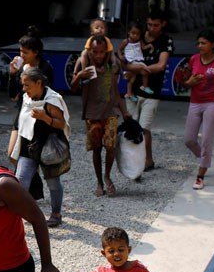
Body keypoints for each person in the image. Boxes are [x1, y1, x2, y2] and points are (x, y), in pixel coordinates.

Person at [70, 35, 130, 197]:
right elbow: (73, 87)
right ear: (90, 51)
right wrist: (80, 76)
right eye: (95, 52)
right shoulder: (83, 63)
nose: (98, 55)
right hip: (91, 112)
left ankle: (107, 175)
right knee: (96, 149)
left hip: (110, 110)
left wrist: (124, 111)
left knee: (110, 146)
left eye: (102, 52)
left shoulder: (111, 64)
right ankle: (99, 181)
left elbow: (115, 90)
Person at [14, 67, 70, 227]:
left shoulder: (52, 100)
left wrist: (45, 118)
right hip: (28, 145)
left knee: (53, 182)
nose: (24, 89)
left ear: (38, 83)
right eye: (23, 85)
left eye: (27, 85)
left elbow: (61, 124)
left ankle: (56, 213)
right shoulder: (27, 98)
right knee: (21, 181)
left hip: (48, 146)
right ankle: (21, 213)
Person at [181, 29, 214, 191]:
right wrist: (191, 82)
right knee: (189, 140)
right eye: (198, 43)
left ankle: (200, 175)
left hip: (213, 103)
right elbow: (186, 83)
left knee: (207, 140)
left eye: (204, 43)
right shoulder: (194, 59)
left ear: (213, 45)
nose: (200, 46)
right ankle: (204, 157)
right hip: (195, 102)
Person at [122, 11, 173, 173]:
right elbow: (123, 59)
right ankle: (133, 159)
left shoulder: (166, 40)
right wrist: (130, 68)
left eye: (156, 25)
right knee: (131, 127)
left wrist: (137, 69)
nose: (152, 28)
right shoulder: (136, 35)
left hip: (153, 91)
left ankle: (147, 159)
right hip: (133, 90)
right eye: (149, 24)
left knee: (144, 128)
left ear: (163, 24)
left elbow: (161, 65)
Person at [7, 30, 55, 165]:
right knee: (12, 154)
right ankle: (30, 182)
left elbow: (49, 95)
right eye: (21, 51)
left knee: (33, 156)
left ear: (36, 52)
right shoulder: (21, 68)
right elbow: (13, 95)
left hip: (38, 114)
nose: (22, 55)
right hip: (22, 111)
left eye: (26, 52)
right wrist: (12, 74)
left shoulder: (45, 69)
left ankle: (28, 183)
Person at [117, 22, 154, 100]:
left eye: (138, 34)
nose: (135, 36)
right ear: (129, 32)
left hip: (138, 59)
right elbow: (119, 50)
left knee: (134, 77)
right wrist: (121, 57)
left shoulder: (139, 41)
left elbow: (143, 48)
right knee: (143, 70)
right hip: (130, 60)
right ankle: (136, 90)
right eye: (133, 33)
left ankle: (138, 89)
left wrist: (149, 46)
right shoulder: (126, 41)